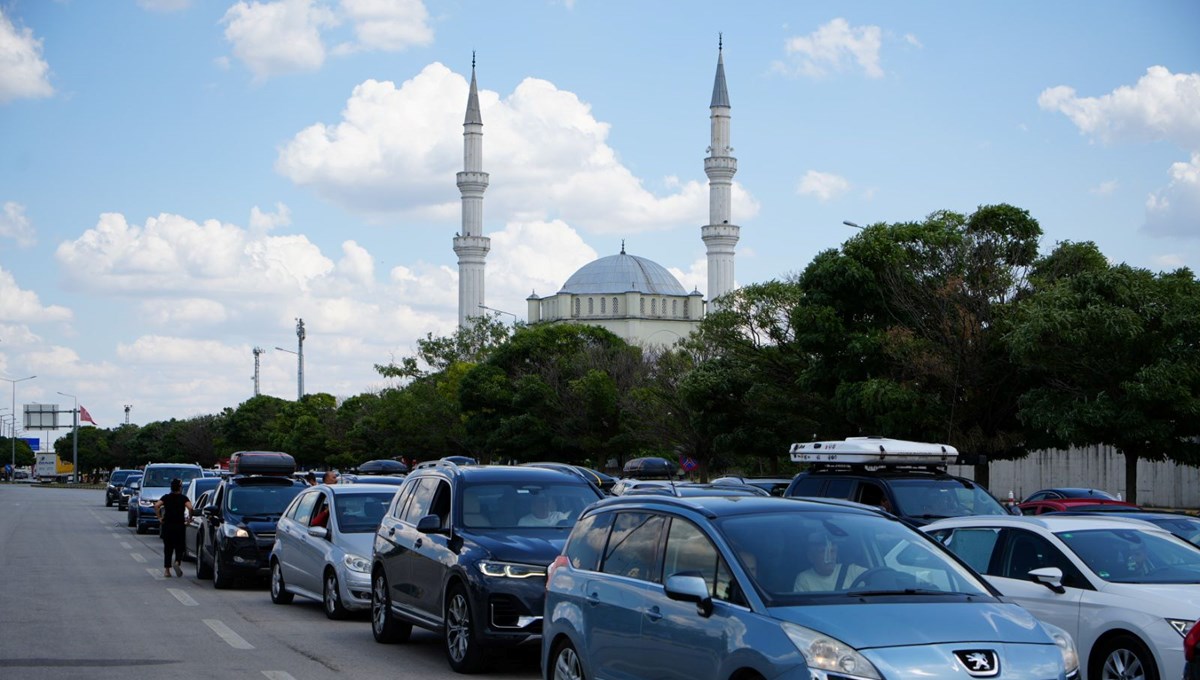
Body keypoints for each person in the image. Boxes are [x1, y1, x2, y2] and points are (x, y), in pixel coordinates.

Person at [794, 531, 865, 592]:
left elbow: (875, 578)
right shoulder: (804, 579)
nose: (829, 557)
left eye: (832, 551)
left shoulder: (852, 571)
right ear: (811, 557)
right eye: (823, 551)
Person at [154, 478, 193, 578]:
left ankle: (167, 570)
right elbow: (190, 508)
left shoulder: (166, 497)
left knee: (168, 548)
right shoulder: (183, 498)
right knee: (179, 546)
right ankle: (177, 562)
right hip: (179, 525)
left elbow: (157, 505)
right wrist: (189, 518)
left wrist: (159, 517)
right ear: (180, 488)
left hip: (167, 525)